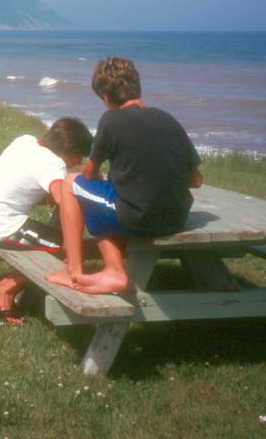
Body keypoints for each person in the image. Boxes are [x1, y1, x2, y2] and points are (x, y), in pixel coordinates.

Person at [45, 56, 203, 294]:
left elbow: (89, 173)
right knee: (108, 199)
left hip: (139, 219)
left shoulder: (111, 120)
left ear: (105, 97)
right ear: (137, 86)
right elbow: (196, 180)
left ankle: (77, 270)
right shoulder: (167, 119)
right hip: (177, 218)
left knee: (70, 184)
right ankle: (112, 268)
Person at [0, 117, 93, 323]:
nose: (79, 162)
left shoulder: (25, 142)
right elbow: (64, 200)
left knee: (62, 243)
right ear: (70, 150)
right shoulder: (53, 164)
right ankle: (4, 288)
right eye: (80, 156)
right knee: (67, 252)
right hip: (1, 226)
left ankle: (11, 293)